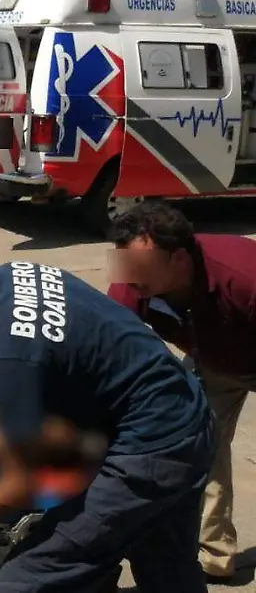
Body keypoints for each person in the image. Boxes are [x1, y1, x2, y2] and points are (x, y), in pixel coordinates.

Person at [0, 246, 215, 593]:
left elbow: (24, 485)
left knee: (26, 580)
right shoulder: (11, 274)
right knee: (166, 566)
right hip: (186, 411)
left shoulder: (9, 358)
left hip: (150, 449)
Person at [107, 200, 256, 582]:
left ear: (179, 259)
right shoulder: (132, 280)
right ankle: (215, 553)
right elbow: (112, 344)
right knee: (200, 448)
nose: (130, 277)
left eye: (142, 267)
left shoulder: (243, 275)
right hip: (215, 361)